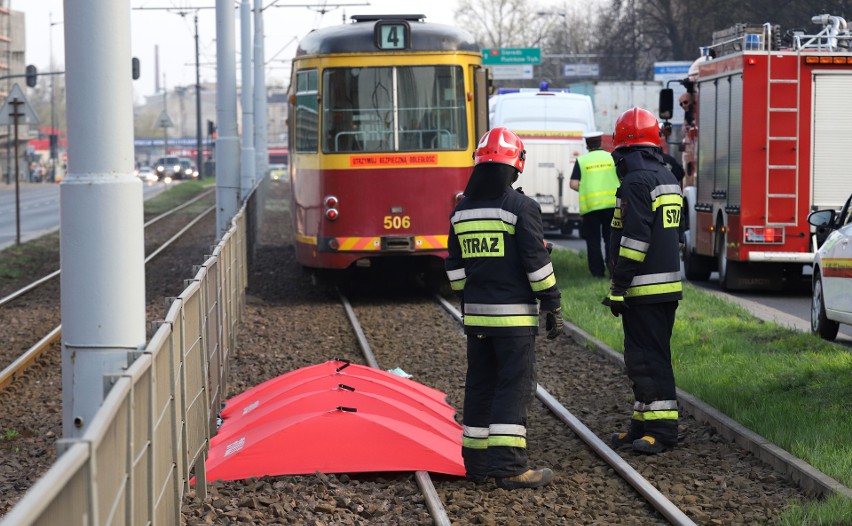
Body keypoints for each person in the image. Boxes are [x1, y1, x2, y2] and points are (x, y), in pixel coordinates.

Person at [445, 126, 563, 489]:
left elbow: (455, 273)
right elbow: (536, 264)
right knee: (514, 386)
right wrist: (552, 303)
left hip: (477, 317)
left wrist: (477, 289)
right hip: (514, 320)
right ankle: (510, 467)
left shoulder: (461, 211)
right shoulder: (520, 206)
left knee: (480, 385)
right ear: (516, 165)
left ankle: (477, 466)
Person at [604, 107, 683, 455]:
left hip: (643, 287)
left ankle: (663, 431)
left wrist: (619, 286)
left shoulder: (635, 182)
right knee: (645, 357)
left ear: (624, 149)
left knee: (648, 358)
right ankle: (642, 423)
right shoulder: (667, 178)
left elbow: (635, 239)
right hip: (666, 287)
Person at [569, 131, 620, 277]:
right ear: (600, 143)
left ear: (587, 145)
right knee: (611, 238)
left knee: (593, 240)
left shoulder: (582, 161)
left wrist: (585, 188)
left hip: (590, 207)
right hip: (611, 205)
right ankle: (613, 269)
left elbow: (573, 184)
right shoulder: (612, 157)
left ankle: (597, 273)